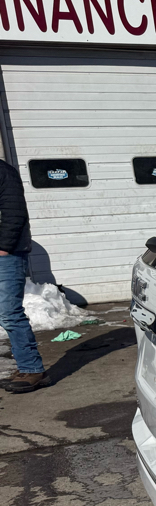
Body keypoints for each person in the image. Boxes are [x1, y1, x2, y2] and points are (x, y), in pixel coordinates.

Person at [0, 158, 46, 393]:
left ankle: (33, 370)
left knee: (10, 314)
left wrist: (4, 247)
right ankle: (25, 367)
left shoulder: (3, 172)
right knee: (4, 315)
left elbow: (13, 212)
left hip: (6, 256)